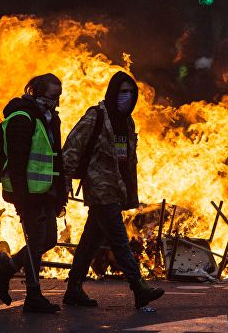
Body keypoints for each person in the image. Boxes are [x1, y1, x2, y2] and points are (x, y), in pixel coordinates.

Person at [62, 71, 165, 309]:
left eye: (131, 93)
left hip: (115, 191)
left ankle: (73, 289)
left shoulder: (127, 122)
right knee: (119, 239)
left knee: (90, 241)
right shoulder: (95, 116)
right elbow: (72, 148)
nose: (126, 97)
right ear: (112, 93)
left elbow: (127, 160)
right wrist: (65, 181)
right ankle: (138, 287)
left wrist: (130, 193)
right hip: (100, 188)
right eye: (122, 92)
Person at [0, 73, 67, 313]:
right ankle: (33, 295)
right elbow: (17, 164)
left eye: (59, 97)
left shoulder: (51, 119)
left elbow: (56, 159)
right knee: (37, 242)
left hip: (47, 191)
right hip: (30, 194)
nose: (57, 101)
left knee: (49, 239)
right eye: (53, 96)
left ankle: (4, 271)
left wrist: (60, 195)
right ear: (37, 93)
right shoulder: (22, 118)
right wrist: (22, 199)